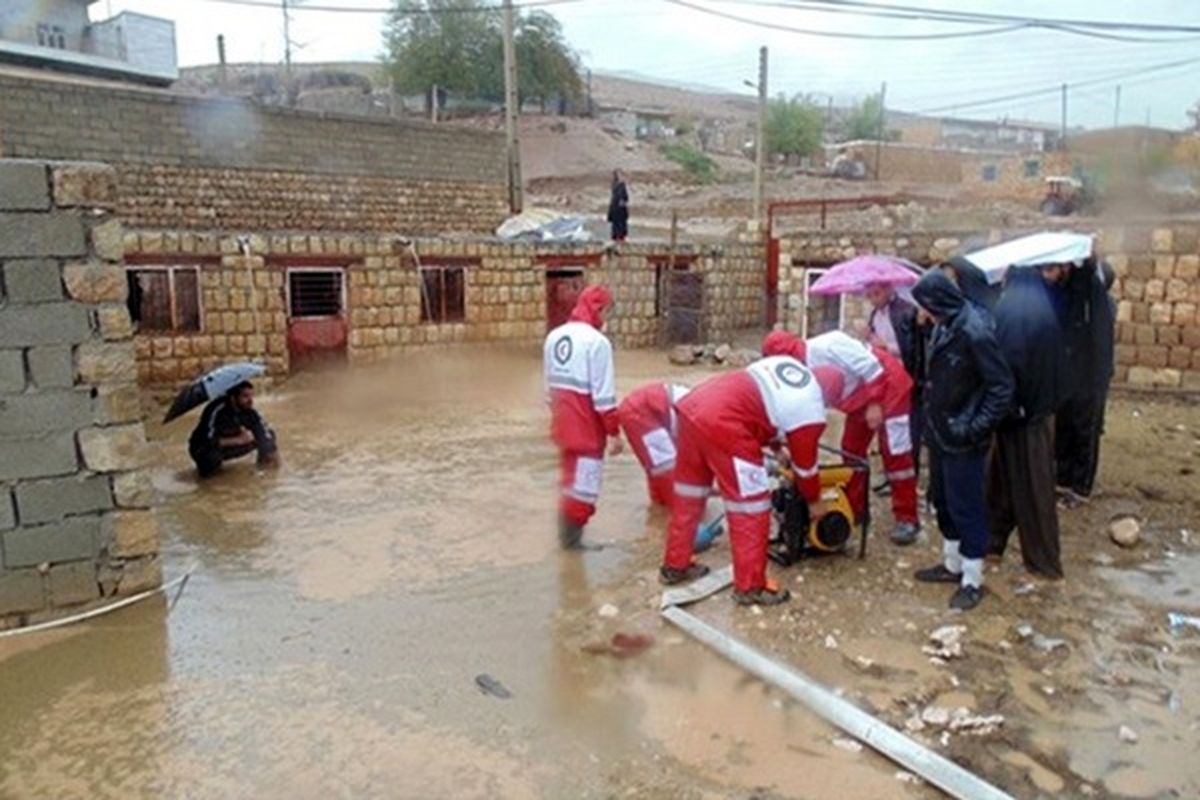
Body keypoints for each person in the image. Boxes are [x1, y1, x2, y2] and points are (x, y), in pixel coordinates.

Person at [660, 355, 828, 606]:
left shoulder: (785, 369)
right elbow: (806, 467)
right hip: (726, 424)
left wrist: (777, 450)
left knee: (690, 495)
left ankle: (676, 565)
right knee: (751, 507)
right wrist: (814, 500)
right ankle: (750, 586)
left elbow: (760, 406)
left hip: (693, 407)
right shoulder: (811, 407)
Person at [910, 269, 1014, 611]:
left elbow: (1001, 388)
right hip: (942, 431)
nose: (921, 311)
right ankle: (952, 563)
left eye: (924, 305)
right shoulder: (944, 325)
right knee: (943, 499)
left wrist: (974, 427)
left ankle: (972, 578)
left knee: (967, 505)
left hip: (963, 434)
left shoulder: (975, 331)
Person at [762, 330, 920, 546]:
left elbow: (872, 368)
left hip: (889, 388)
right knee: (851, 451)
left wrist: (875, 404)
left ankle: (907, 518)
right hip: (858, 398)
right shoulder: (797, 371)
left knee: (896, 455)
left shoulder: (831, 344)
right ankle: (855, 509)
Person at [986, 266, 1066, 579]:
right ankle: (992, 542)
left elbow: (1010, 361)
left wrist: (1008, 407)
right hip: (1032, 410)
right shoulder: (1039, 304)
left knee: (1033, 489)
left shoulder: (1014, 309)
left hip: (1023, 415)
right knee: (1000, 483)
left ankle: (1044, 562)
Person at [544, 285, 623, 550]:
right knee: (585, 488)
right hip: (587, 430)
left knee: (569, 481)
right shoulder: (597, 343)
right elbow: (604, 397)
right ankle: (571, 546)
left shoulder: (554, 336)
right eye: (606, 311)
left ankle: (564, 541)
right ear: (598, 309)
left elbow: (548, 390)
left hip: (562, 425)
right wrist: (614, 432)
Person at [1055, 259, 1116, 504]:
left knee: (1085, 432)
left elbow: (1100, 345)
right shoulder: (1074, 299)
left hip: (1089, 379)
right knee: (1066, 427)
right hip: (1071, 376)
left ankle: (1080, 487)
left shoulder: (1096, 301)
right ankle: (1064, 479)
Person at [617, 382, 690, 506]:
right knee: (665, 466)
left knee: (656, 467)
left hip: (646, 407)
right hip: (643, 410)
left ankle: (659, 510)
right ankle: (678, 512)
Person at [188, 382, 279, 478]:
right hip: (202, 448)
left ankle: (262, 469)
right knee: (212, 457)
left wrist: (276, 468)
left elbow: (266, 435)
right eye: (245, 396)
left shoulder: (249, 411)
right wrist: (238, 440)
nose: (250, 400)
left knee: (269, 437)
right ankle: (208, 482)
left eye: (251, 396)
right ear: (233, 398)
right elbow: (207, 441)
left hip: (229, 445)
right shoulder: (216, 410)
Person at [607, 169, 629, 242]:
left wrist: (623, 201)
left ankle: (619, 237)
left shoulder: (618, 185)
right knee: (618, 224)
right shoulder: (618, 185)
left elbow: (625, 197)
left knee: (619, 224)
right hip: (617, 207)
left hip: (618, 207)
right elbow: (624, 197)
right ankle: (618, 237)